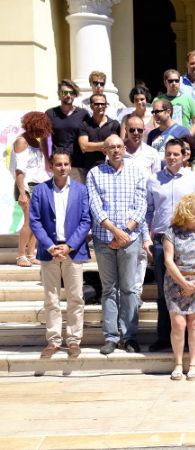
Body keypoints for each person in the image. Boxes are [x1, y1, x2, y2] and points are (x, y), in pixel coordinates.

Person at [144, 138, 195, 352]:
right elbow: (148, 212)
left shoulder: (194, 178)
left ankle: (191, 337)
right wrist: (146, 238)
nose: (171, 158)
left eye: (176, 154)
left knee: (190, 287)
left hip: (189, 240)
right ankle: (165, 336)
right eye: (168, 154)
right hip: (162, 240)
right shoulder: (153, 180)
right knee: (164, 292)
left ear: (184, 156)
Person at [87, 135, 147, 355]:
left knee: (130, 289)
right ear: (104, 150)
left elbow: (141, 205)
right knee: (109, 289)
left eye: (119, 146)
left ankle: (129, 336)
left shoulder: (137, 171)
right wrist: (115, 232)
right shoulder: (95, 174)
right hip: (104, 239)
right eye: (111, 147)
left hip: (130, 240)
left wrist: (125, 232)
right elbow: (95, 206)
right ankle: (111, 336)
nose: (115, 150)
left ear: (124, 148)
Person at [29, 150, 91, 358]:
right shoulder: (40, 190)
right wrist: (49, 246)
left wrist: (69, 246)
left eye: (66, 164)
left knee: (75, 298)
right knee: (51, 299)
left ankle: (74, 340)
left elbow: (85, 221)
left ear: (70, 165)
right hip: (49, 252)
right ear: (51, 166)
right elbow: (35, 221)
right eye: (58, 164)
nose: (62, 168)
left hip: (72, 251)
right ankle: (53, 341)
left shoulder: (81, 191)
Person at [163, 193, 195, 380]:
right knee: (178, 324)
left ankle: (193, 364)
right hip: (175, 282)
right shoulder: (172, 232)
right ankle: (178, 364)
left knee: (194, 324)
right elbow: (168, 261)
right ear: (186, 212)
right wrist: (184, 283)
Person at [12, 112, 53, 267]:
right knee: (28, 221)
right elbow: (19, 170)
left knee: (38, 223)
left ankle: (31, 253)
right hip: (26, 186)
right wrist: (22, 193)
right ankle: (21, 255)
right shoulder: (22, 141)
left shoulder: (36, 142)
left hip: (38, 185)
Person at [45, 79, 89, 181]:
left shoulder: (83, 114)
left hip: (78, 164)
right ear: (59, 94)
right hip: (58, 164)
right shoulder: (50, 113)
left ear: (75, 95)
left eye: (72, 93)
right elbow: (43, 139)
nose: (68, 95)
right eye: (65, 92)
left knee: (77, 195)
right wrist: (47, 159)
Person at [78, 93, 122, 174]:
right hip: (89, 169)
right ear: (91, 106)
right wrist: (106, 145)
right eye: (97, 104)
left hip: (110, 168)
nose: (100, 106)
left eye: (103, 104)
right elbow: (84, 147)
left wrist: (92, 146)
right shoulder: (84, 125)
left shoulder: (114, 124)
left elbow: (114, 145)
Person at [154, 69, 195, 134]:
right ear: (165, 83)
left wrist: (190, 134)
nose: (174, 83)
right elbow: (154, 120)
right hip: (164, 137)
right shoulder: (157, 100)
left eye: (176, 81)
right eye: (170, 81)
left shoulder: (188, 99)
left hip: (184, 138)